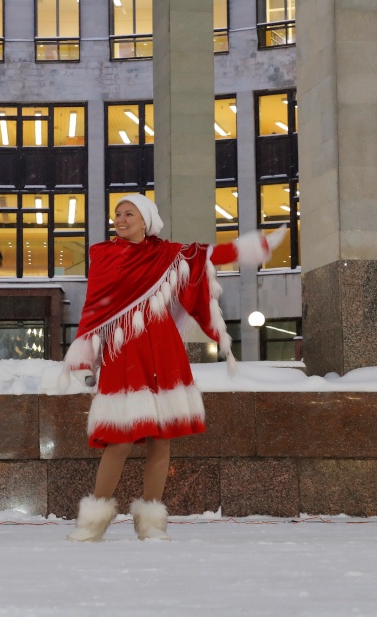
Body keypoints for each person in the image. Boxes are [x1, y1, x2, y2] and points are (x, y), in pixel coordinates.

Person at [60, 194, 285, 542]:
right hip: (125, 351)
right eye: (118, 213)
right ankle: (92, 523)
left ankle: (151, 523)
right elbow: (94, 308)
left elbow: (210, 255)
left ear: (146, 220)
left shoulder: (167, 254)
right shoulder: (104, 254)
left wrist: (252, 247)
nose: (121, 219)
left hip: (162, 348)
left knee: (160, 437)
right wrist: (83, 356)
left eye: (129, 213)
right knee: (119, 438)